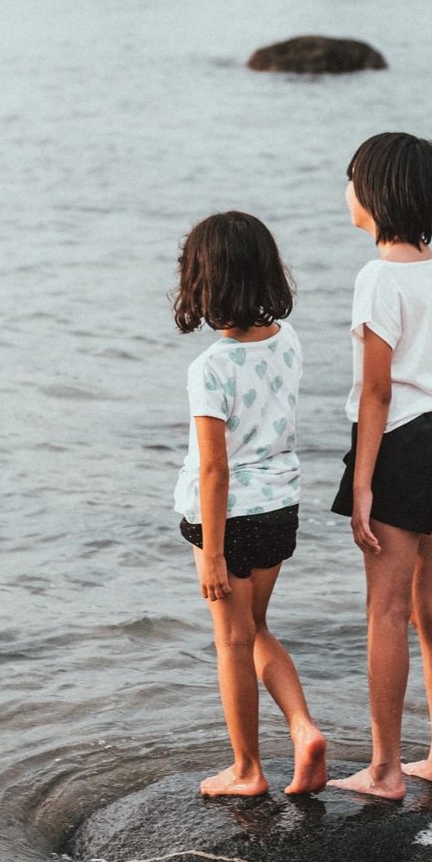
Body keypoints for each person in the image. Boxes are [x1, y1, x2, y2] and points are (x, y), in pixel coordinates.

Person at [328, 132, 432, 801]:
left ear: (377, 193)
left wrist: (362, 483)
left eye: (352, 177)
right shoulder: (431, 266)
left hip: (399, 444)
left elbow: (378, 392)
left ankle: (385, 769)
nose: (346, 189)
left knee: (385, 611)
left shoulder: (377, 278)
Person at [173, 210, 327, 799]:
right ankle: (304, 729)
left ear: (204, 283)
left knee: (231, 641)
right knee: (257, 627)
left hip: (229, 520)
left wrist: (211, 553)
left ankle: (247, 769)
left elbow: (215, 469)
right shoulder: (287, 342)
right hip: (279, 509)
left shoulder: (210, 368)